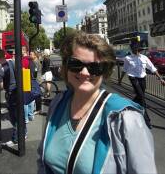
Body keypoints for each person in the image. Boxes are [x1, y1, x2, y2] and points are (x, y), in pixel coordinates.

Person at [37, 32, 157, 174]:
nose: (84, 72)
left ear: (104, 71)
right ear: (66, 66)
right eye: (75, 64)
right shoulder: (58, 103)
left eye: (94, 67)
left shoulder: (126, 118)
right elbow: (42, 159)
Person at [119, 42, 164, 129]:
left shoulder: (144, 58)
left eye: (137, 49)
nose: (136, 51)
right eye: (134, 49)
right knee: (142, 98)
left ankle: (129, 105)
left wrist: (161, 79)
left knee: (140, 96)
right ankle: (147, 121)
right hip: (133, 78)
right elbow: (124, 70)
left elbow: (153, 69)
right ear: (132, 50)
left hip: (142, 79)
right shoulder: (128, 58)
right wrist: (120, 80)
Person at [0, 49, 27, 144]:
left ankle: (17, 137)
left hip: (10, 94)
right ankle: (24, 132)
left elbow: (1, 87)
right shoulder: (12, 63)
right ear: (4, 56)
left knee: (14, 117)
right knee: (20, 113)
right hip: (18, 91)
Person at [22, 46, 35, 123]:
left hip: (25, 80)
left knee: (25, 101)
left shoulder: (24, 60)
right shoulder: (31, 59)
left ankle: (26, 118)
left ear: (23, 51)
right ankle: (31, 115)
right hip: (31, 81)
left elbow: (22, 71)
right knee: (31, 100)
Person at [30, 50, 42, 114]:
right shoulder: (35, 61)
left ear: (34, 55)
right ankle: (38, 108)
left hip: (37, 80)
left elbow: (35, 72)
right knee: (37, 94)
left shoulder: (35, 62)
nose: (30, 55)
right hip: (37, 79)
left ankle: (38, 109)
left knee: (37, 95)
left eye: (31, 54)